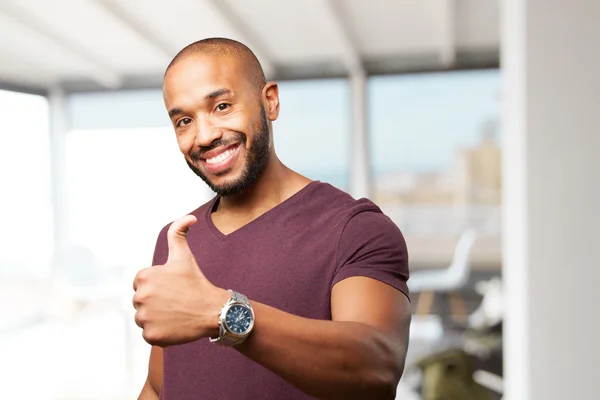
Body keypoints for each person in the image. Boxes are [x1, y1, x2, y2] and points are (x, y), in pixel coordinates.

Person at [133, 37, 411, 400]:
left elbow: (375, 369)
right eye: (184, 120)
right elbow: (158, 387)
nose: (204, 136)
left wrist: (220, 312)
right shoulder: (177, 240)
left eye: (221, 106)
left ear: (270, 101)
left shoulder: (355, 228)